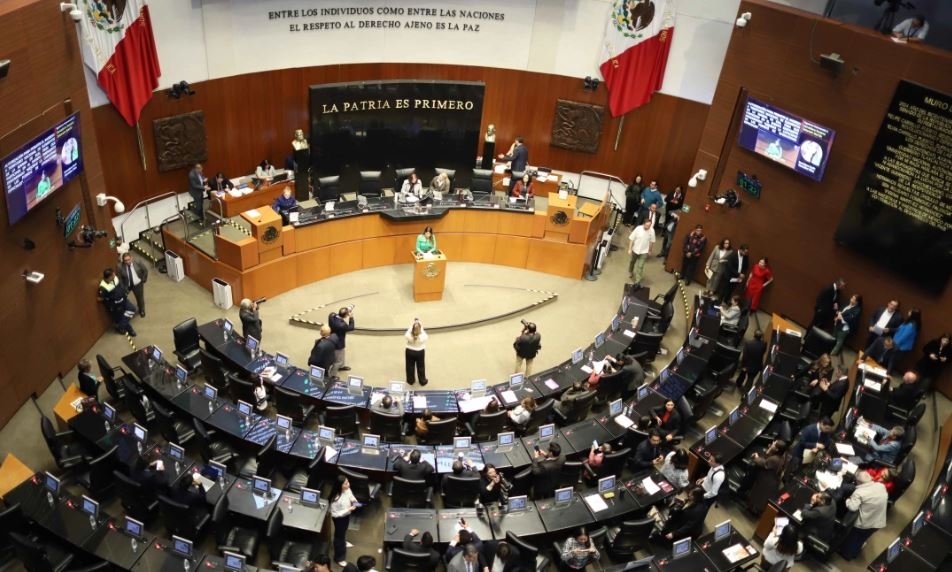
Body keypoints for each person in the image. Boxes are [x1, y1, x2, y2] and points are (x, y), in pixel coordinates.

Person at [839, 471, 888, 560]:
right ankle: (854, 553)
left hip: (864, 523)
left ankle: (846, 555)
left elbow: (852, 507)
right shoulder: (881, 486)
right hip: (879, 522)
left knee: (852, 539)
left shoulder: (859, 492)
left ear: (858, 482)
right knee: (861, 539)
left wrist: (848, 500)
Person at [747, 440, 787, 514]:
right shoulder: (780, 457)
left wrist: (756, 457)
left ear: (777, 449)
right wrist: (769, 450)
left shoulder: (775, 459)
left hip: (767, 481)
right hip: (769, 480)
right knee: (759, 495)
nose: (772, 444)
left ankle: (754, 511)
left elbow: (764, 464)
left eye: (774, 444)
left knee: (759, 497)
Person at [329, 476, 359, 566]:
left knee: (343, 531)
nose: (348, 484)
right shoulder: (336, 498)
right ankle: (339, 558)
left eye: (348, 482)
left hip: (346, 516)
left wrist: (354, 501)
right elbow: (334, 514)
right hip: (339, 519)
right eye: (346, 483)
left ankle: (344, 541)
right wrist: (348, 509)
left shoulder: (347, 489)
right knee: (339, 537)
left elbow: (351, 496)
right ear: (340, 485)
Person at [98, 268, 136, 337]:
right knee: (122, 317)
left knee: (132, 309)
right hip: (116, 305)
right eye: (113, 275)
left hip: (123, 300)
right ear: (109, 277)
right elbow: (102, 298)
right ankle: (129, 330)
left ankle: (120, 327)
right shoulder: (103, 287)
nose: (114, 275)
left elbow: (120, 286)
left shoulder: (115, 278)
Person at [118, 253, 148, 318]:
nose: (127, 262)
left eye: (128, 259)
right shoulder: (120, 266)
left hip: (137, 284)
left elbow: (145, 270)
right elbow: (120, 278)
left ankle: (141, 310)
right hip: (127, 285)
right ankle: (125, 312)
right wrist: (123, 287)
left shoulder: (138, 262)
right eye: (125, 260)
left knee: (140, 298)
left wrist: (143, 279)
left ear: (131, 258)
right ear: (123, 261)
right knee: (123, 298)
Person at [627, 219, 655, 288]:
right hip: (635, 250)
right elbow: (631, 239)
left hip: (644, 251)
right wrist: (630, 249)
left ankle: (637, 281)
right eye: (646, 225)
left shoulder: (652, 231)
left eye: (649, 226)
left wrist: (650, 250)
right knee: (632, 261)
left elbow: (652, 242)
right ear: (643, 224)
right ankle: (630, 271)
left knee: (640, 266)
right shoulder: (638, 229)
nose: (647, 227)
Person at [329, 306, 356, 372]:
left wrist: (346, 311)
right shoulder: (342, 325)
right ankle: (334, 373)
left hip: (331, 337)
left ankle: (341, 366)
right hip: (339, 343)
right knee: (339, 359)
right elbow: (351, 327)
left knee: (340, 355)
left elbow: (336, 314)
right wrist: (351, 317)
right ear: (346, 316)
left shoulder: (331, 316)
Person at [405, 318, 428, 386]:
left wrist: (413, 325)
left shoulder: (408, 335)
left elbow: (408, 331)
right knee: (421, 367)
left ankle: (410, 380)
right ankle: (422, 381)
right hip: (420, 352)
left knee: (409, 366)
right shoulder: (423, 336)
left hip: (409, 351)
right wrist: (419, 324)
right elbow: (423, 331)